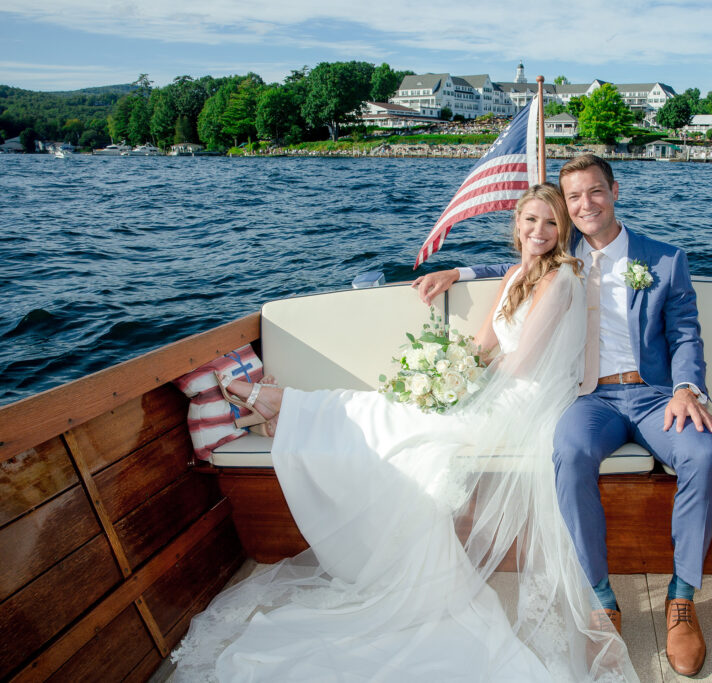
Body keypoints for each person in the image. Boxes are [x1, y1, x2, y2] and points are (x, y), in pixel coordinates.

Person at [170, 184, 639, 682]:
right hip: (494, 385)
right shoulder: (516, 274)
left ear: (563, 229)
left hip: (520, 399)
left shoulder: (563, 277)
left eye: (550, 223)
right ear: (516, 224)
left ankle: (278, 405)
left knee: (398, 419)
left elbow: (521, 363)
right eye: (530, 221)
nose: (539, 232)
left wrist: (458, 386)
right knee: (393, 404)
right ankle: (282, 406)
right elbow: (483, 346)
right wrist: (444, 370)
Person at [413, 154, 712, 677]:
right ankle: (601, 595)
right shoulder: (564, 248)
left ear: (614, 191)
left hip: (653, 396)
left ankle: (682, 597)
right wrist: (457, 271)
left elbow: (687, 332)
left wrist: (687, 387)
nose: (585, 205)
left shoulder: (665, 259)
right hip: (590, 399)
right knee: (570, 451)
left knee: (703, 451)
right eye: (574, 197)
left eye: (594, 192)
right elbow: (515, 266)